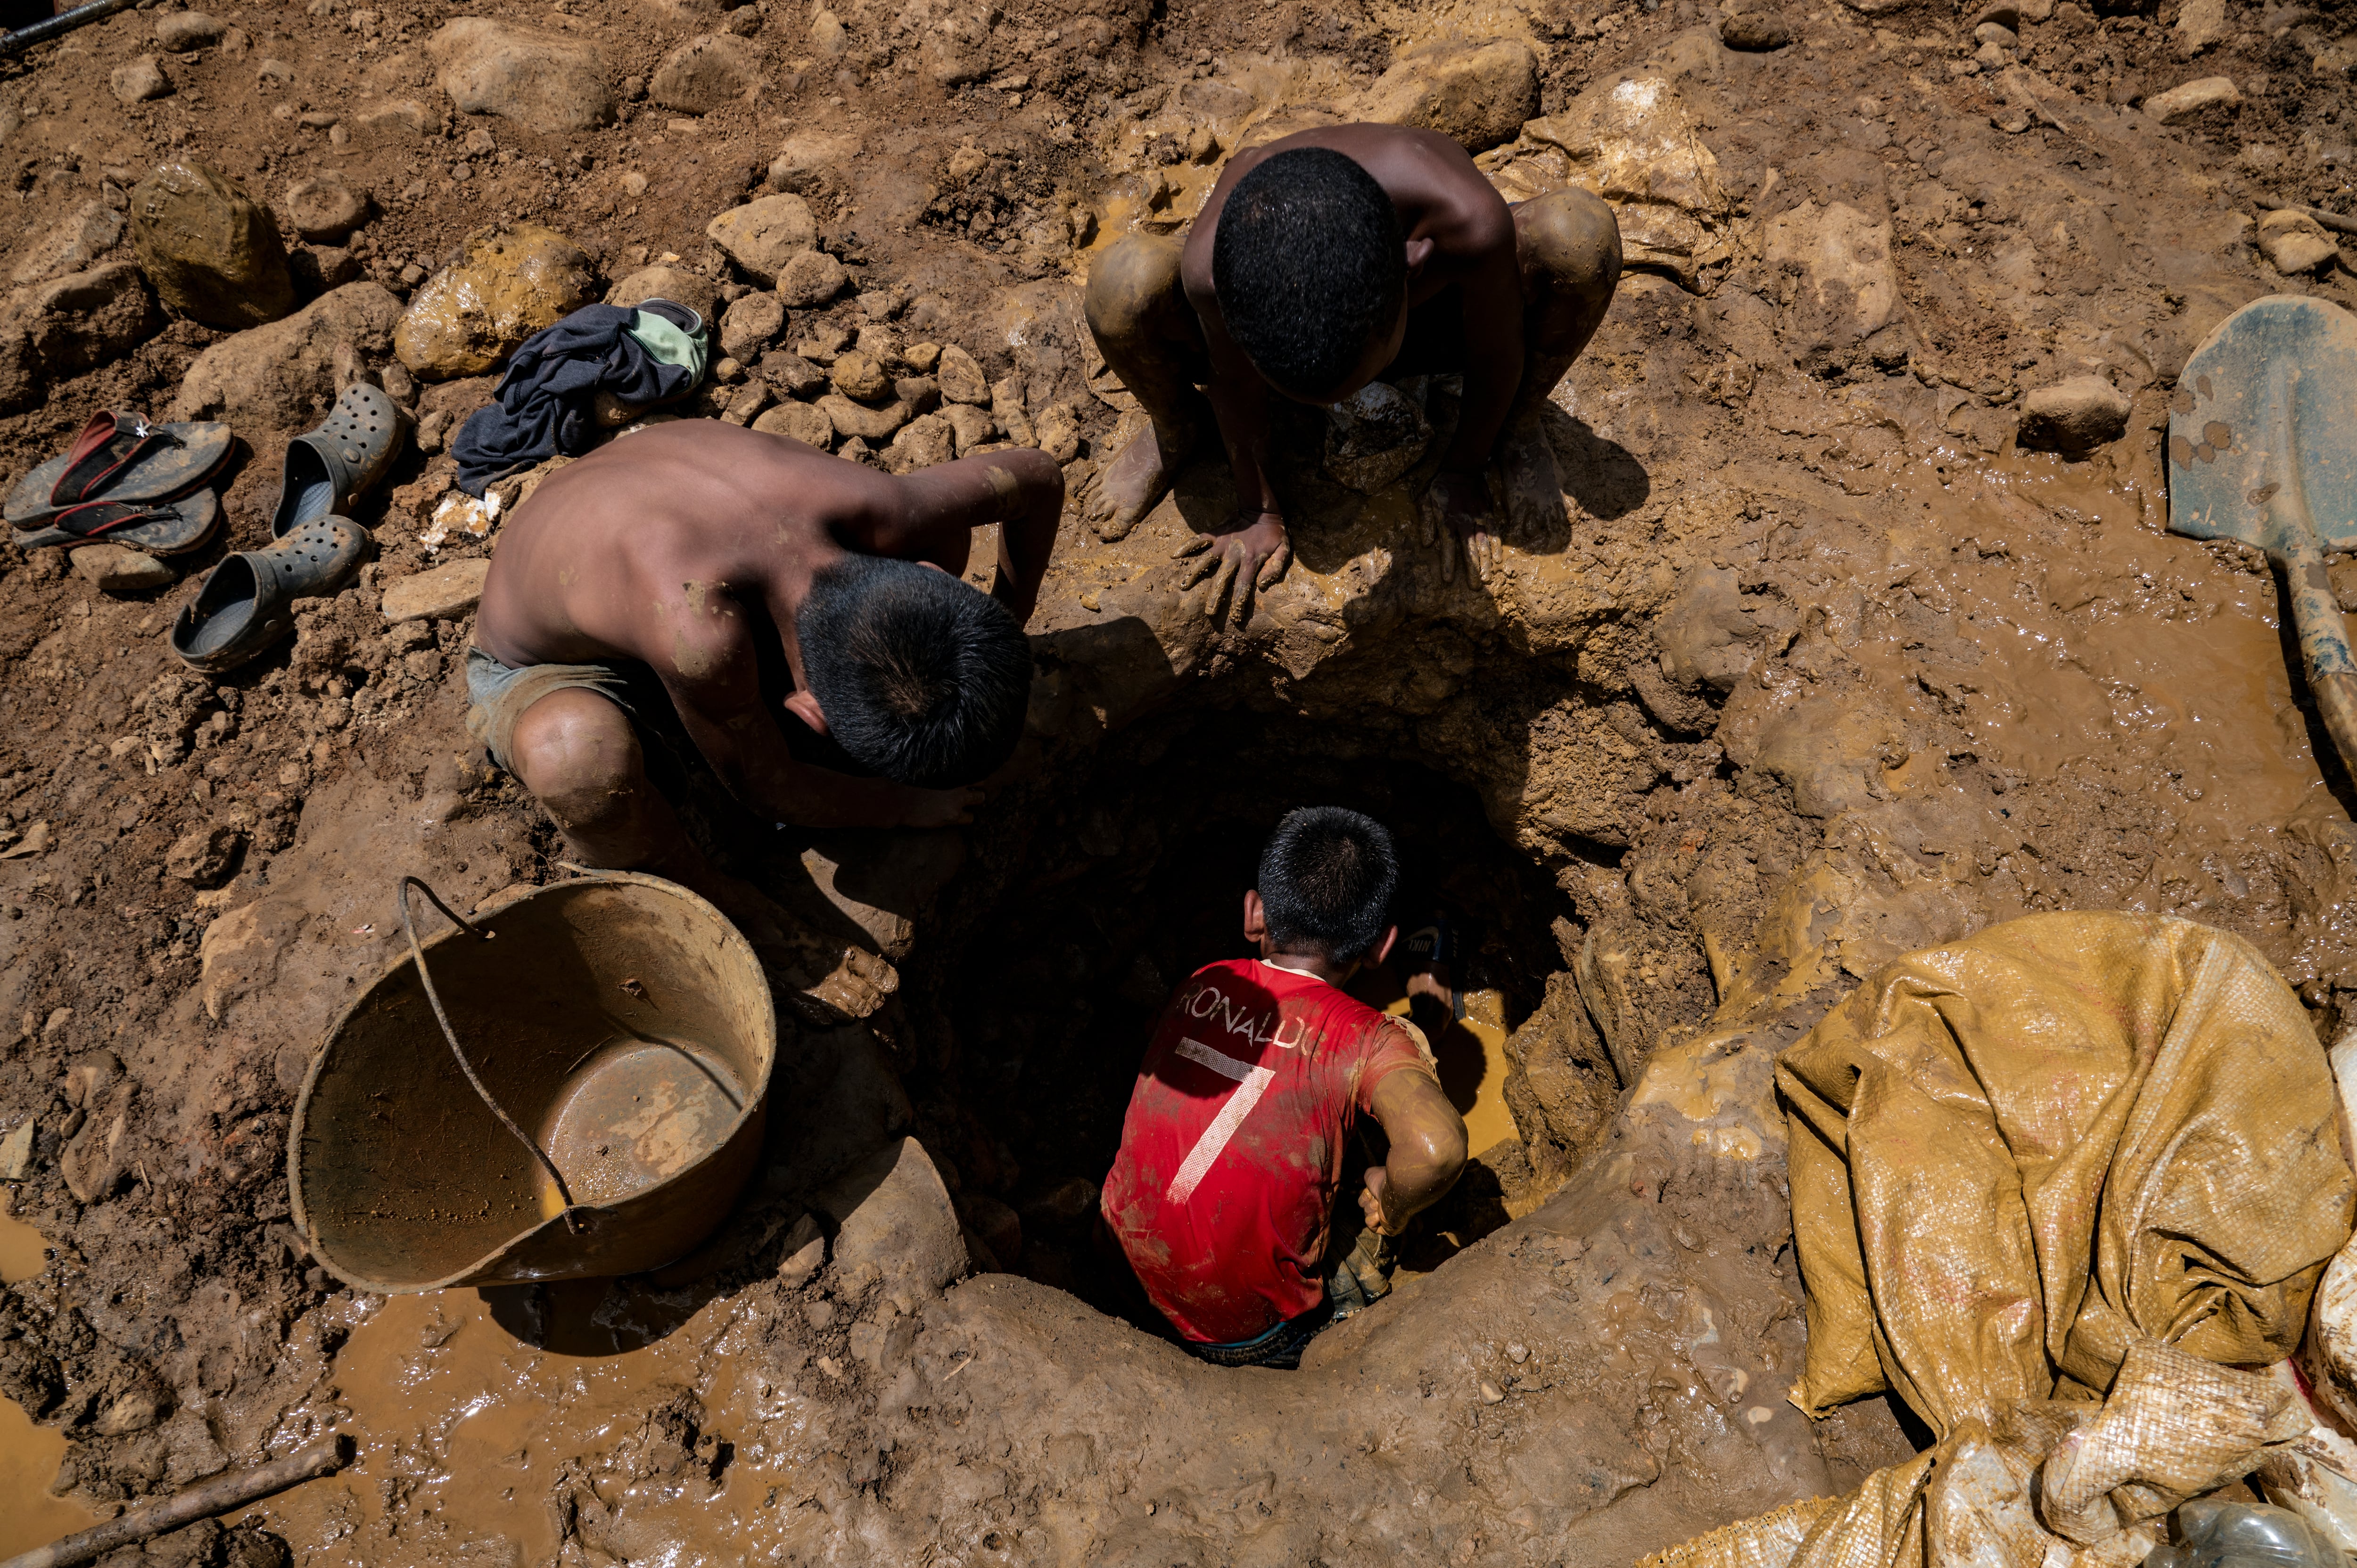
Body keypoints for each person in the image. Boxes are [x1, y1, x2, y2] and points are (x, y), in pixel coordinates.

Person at [467, 419, 1060, 913]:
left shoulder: (890, 507)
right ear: (807, 711)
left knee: (944, 533)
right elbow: (769, 788)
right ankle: (721, 899)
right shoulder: (703, 644)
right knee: (576, 762)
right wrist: (899, 805)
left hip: (658, 527)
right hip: (553, 653)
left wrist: (1009, 615)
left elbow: (1037, 475)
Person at [1082, 126, 1623, 619]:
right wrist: (1258, 509)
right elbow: (1232, 379)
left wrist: (1463, 468)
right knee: (1122, 284)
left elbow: (1496, 350)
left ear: (1413, 269)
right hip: (1324, 322)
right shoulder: (1210, 270)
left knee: (1577, 234)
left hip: (1429, 315)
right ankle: (1177, 426)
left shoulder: (1465, 223)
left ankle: (1518, 423)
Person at [1099, 807, 1470, 1369]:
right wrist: (1389, 1203)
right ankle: (1431, 1007)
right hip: (1243, 1337)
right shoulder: (1365, 1038)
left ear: (1254, 915)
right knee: (1389, 1089)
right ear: (1380, 949)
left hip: (1119, 1270)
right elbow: (1435, 1149)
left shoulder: (1202, 981)